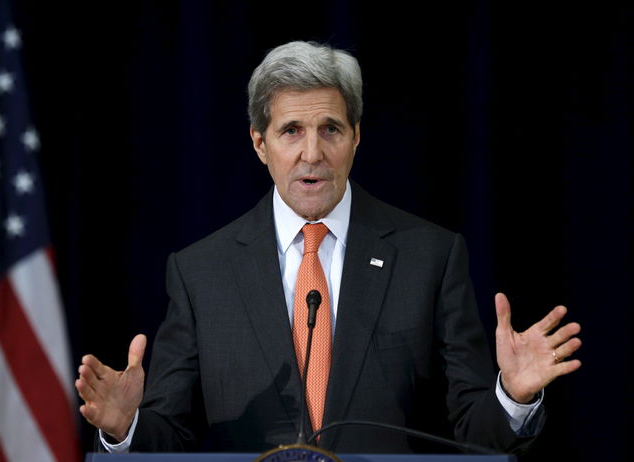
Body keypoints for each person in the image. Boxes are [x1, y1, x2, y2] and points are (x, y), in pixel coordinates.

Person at [75, 41, 582, 454]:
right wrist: (126, 429)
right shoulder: (200, 272)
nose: (311, 154)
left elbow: (475, 434)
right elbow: (171, 439)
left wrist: (513, 397)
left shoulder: (429, 256)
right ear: (259, 144)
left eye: (330, 130)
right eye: (291, 131)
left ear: (357, 137)